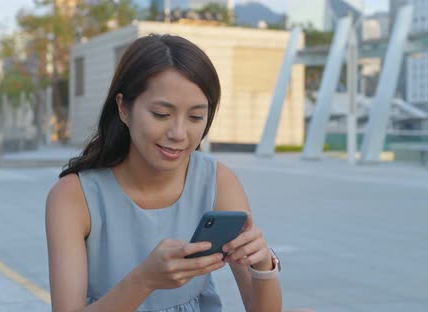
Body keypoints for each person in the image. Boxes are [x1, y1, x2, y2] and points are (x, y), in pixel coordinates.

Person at [46, 34, 289, 312]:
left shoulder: (217, 180)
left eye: (196, 117)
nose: (178, 134)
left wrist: (263, 266)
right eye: (161, 114)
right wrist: (144, 281)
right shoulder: (72, 196)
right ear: (124, 108)